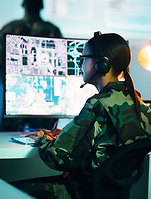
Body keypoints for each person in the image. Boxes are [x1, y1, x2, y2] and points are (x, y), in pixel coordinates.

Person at [11, 31, 151, 199]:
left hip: (79, 193)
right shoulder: (142, 107)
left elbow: (59, 158)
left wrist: (43, 139)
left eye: (83, 58)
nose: (80, 64)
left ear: (102, 64)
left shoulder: (98, 104)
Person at [0, 0, 62, 68]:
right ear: (42, 5)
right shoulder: (53, 30)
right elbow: (60, 61)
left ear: (23, 4)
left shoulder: (8, 29)